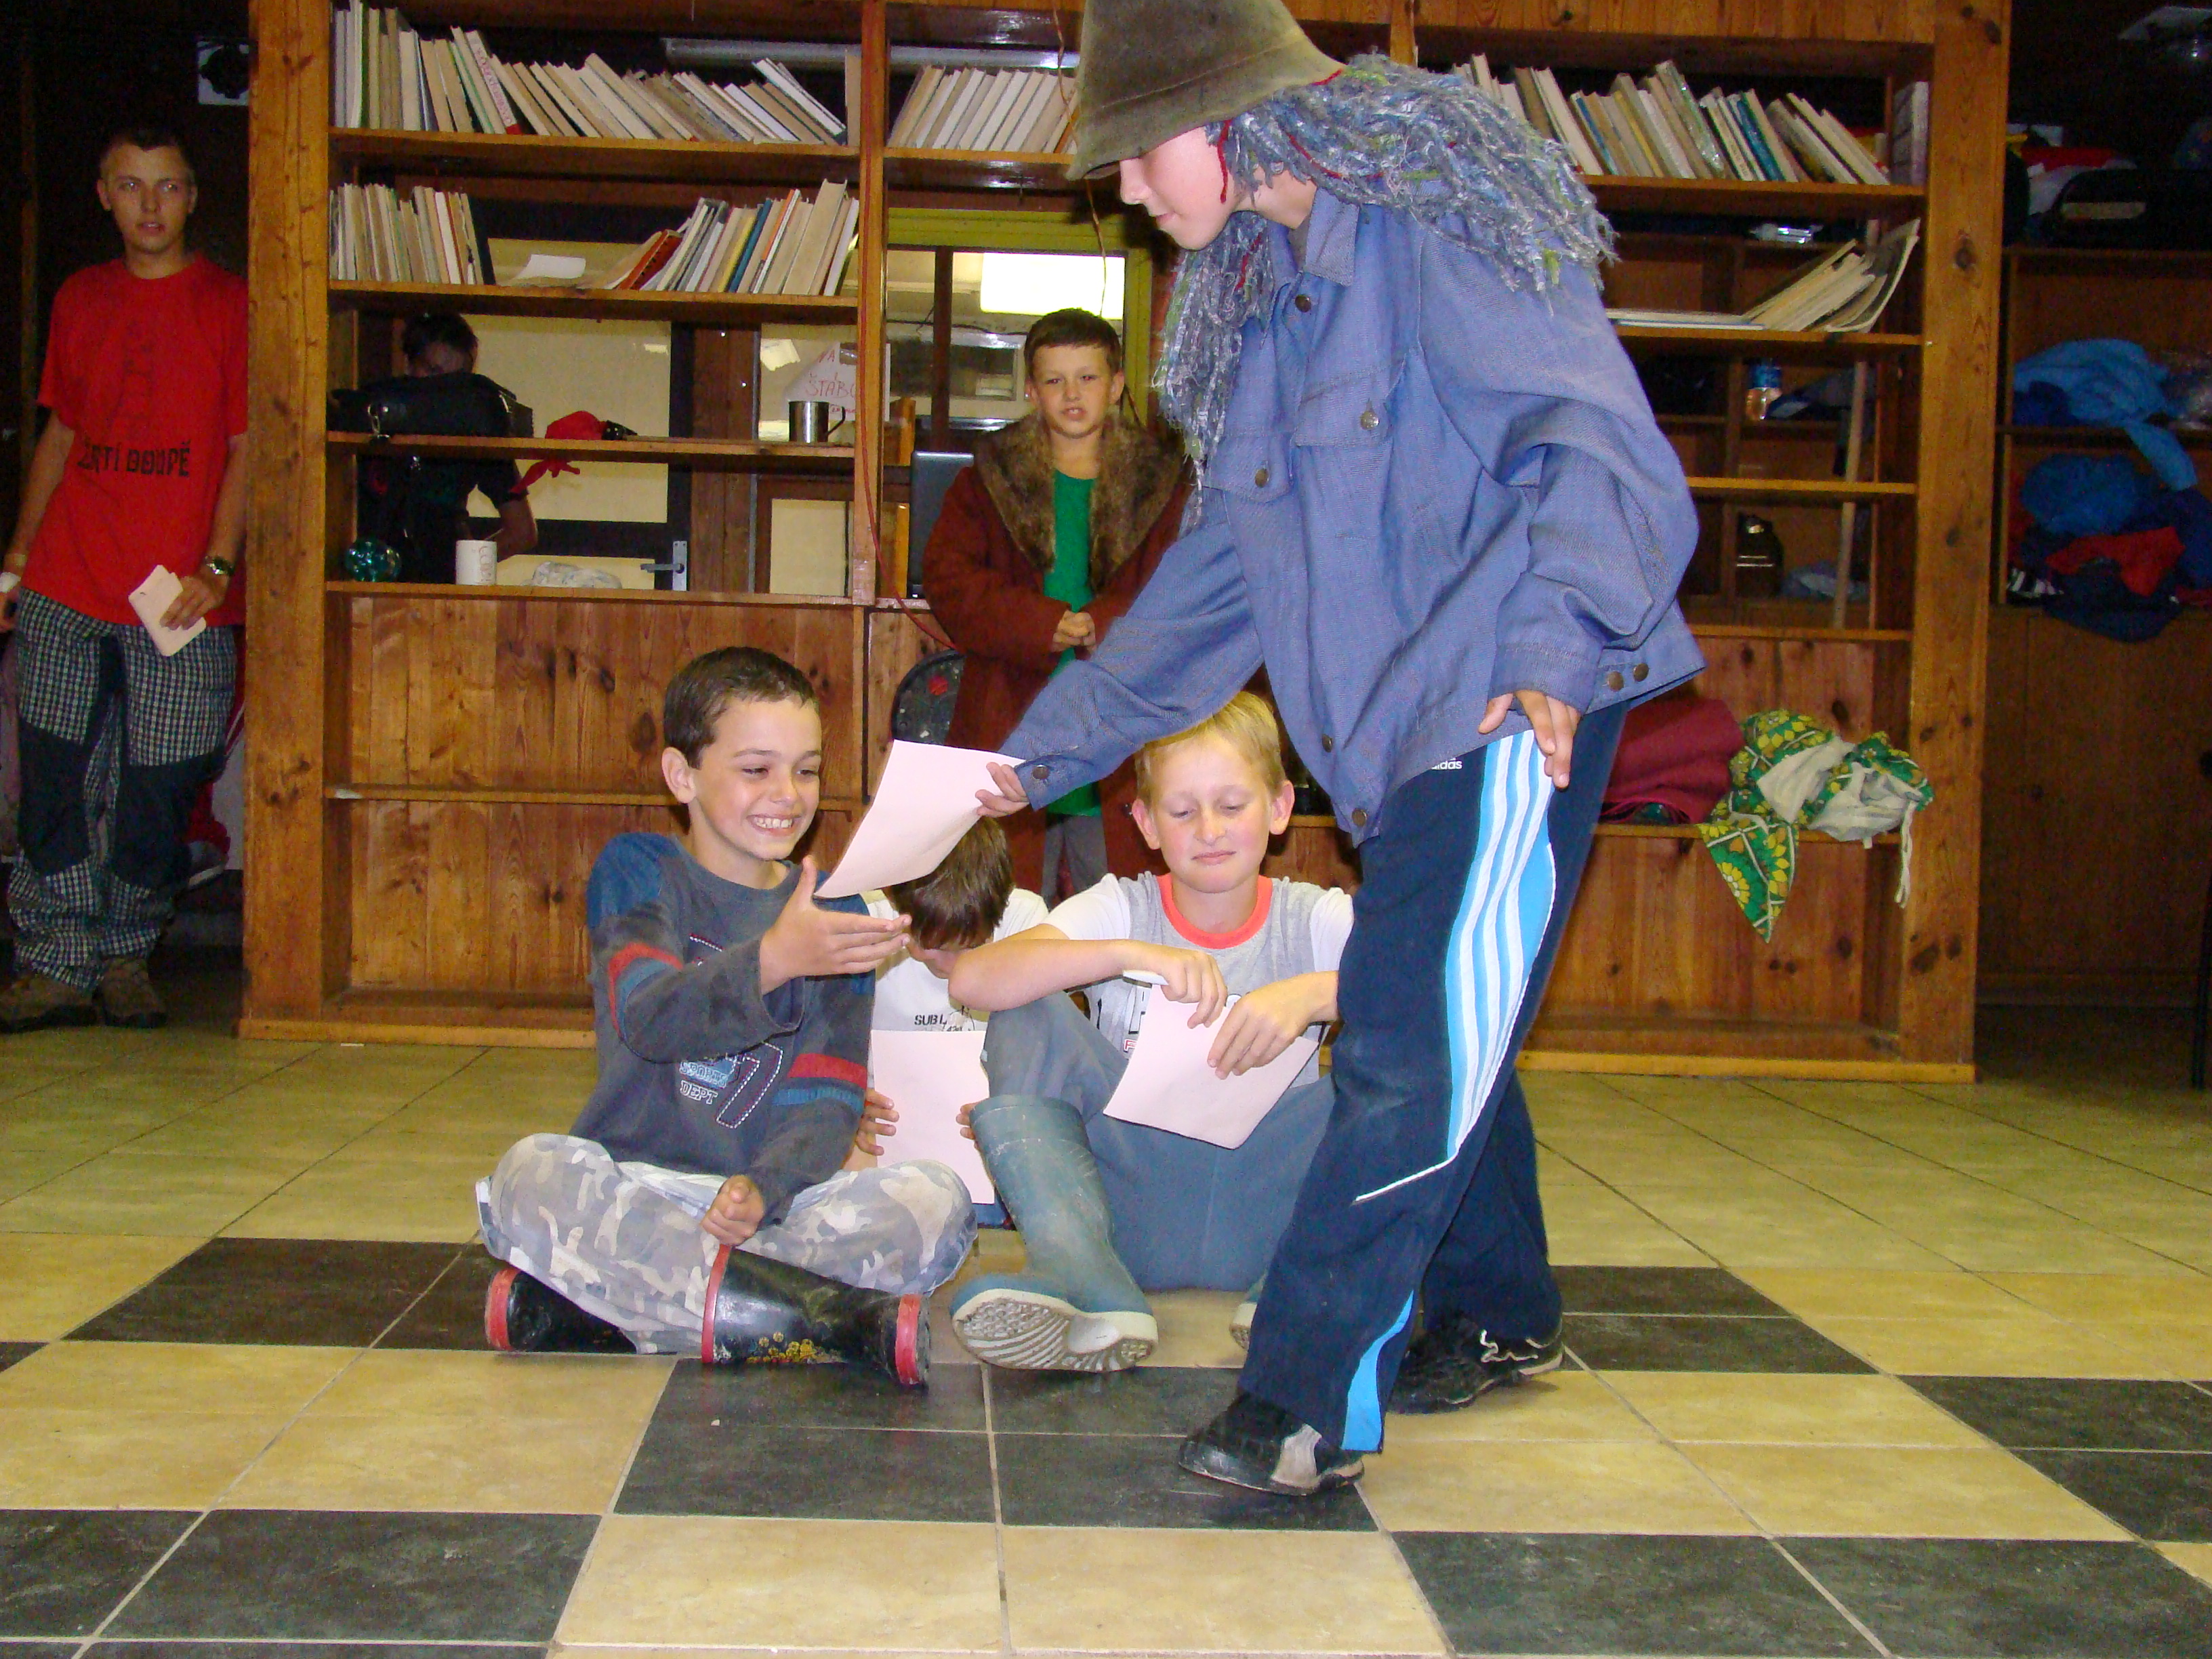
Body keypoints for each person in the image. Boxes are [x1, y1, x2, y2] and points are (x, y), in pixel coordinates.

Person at [974, 1, 1702, 1494]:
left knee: (1403, 1039)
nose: (1129, 189)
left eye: (1141, 152)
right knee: (1436, 1007)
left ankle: (1304, 1400)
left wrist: (1553, 646)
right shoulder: (1262, 313)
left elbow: (1595, 444)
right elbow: (1206, 597)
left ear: (1236, 120)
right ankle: (1495, 1306)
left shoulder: (1436, 233)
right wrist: (1018, 767)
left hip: (1506, 703)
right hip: (1393, 735)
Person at [475, 647, 975, 1386]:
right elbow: (651, 1018)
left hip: (775, 1209)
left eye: (807, 770)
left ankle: (617, 1306)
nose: (788, 794)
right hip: (642, 1192)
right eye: (756, 769)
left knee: (937, 1201)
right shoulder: (639, 870)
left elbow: (828, 1096)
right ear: (682, 776)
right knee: (531, 1175)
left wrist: (766, 1188)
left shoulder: (835, 907)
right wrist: (773, 960)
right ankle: (819, 1320)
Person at [947, 693, 1346, 1372]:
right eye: (1183, 812)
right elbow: (973, 980)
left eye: (1232, 805)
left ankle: (1308, 1285)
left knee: (1395, 1046)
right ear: (1146, 823)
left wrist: (1314, 992)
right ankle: (1081, 1275)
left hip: (1274, 1214)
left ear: (1280, 807)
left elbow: (1439, 990)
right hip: (1131, 1214)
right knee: (1026, 1005)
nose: (1209, 830)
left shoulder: (1314, 918)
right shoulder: (1122, 906)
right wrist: (1132, 954)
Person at [0, 127, 248, 1033]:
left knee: (163, 782)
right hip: (66, 577)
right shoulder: (80, 296)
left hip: (182, 596)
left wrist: (217, 565)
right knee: (53, 778)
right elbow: (60, 433)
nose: (151, 204)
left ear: (193, 198)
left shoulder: (231, 304)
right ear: (104, 194)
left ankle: (125, 956)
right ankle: (55, 961)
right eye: (132, 185)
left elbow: (248, 446)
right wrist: (18, 557)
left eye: (169, 186)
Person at [923, 308, 1189, 901]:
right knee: (1009, 907)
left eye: (1088, 377)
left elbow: (1184, 587)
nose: (1072, 395)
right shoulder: (988, 479)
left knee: (1121, 905)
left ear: (1116, 385)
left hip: (1123, 724)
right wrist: (1040, 624)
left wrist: (1104, 623)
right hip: (1010, 716)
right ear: (1031, 391)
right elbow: (948, 578)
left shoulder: (1164, 483)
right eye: (1054, 380)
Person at [355, 312, 537, 584]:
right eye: (433, 373)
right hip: (371, 577)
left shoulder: (477, 434)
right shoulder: (374, 418)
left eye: (455, 382)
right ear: (408, 364)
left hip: (440, 586)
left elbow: (522, 532)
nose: (441, 392)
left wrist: (465, 568)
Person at [865, 819, 1048, 1037]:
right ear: (894, 903)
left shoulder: (1024, 921)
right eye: (932, 945)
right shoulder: (868, 919)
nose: (951, 967)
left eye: (973, 946)